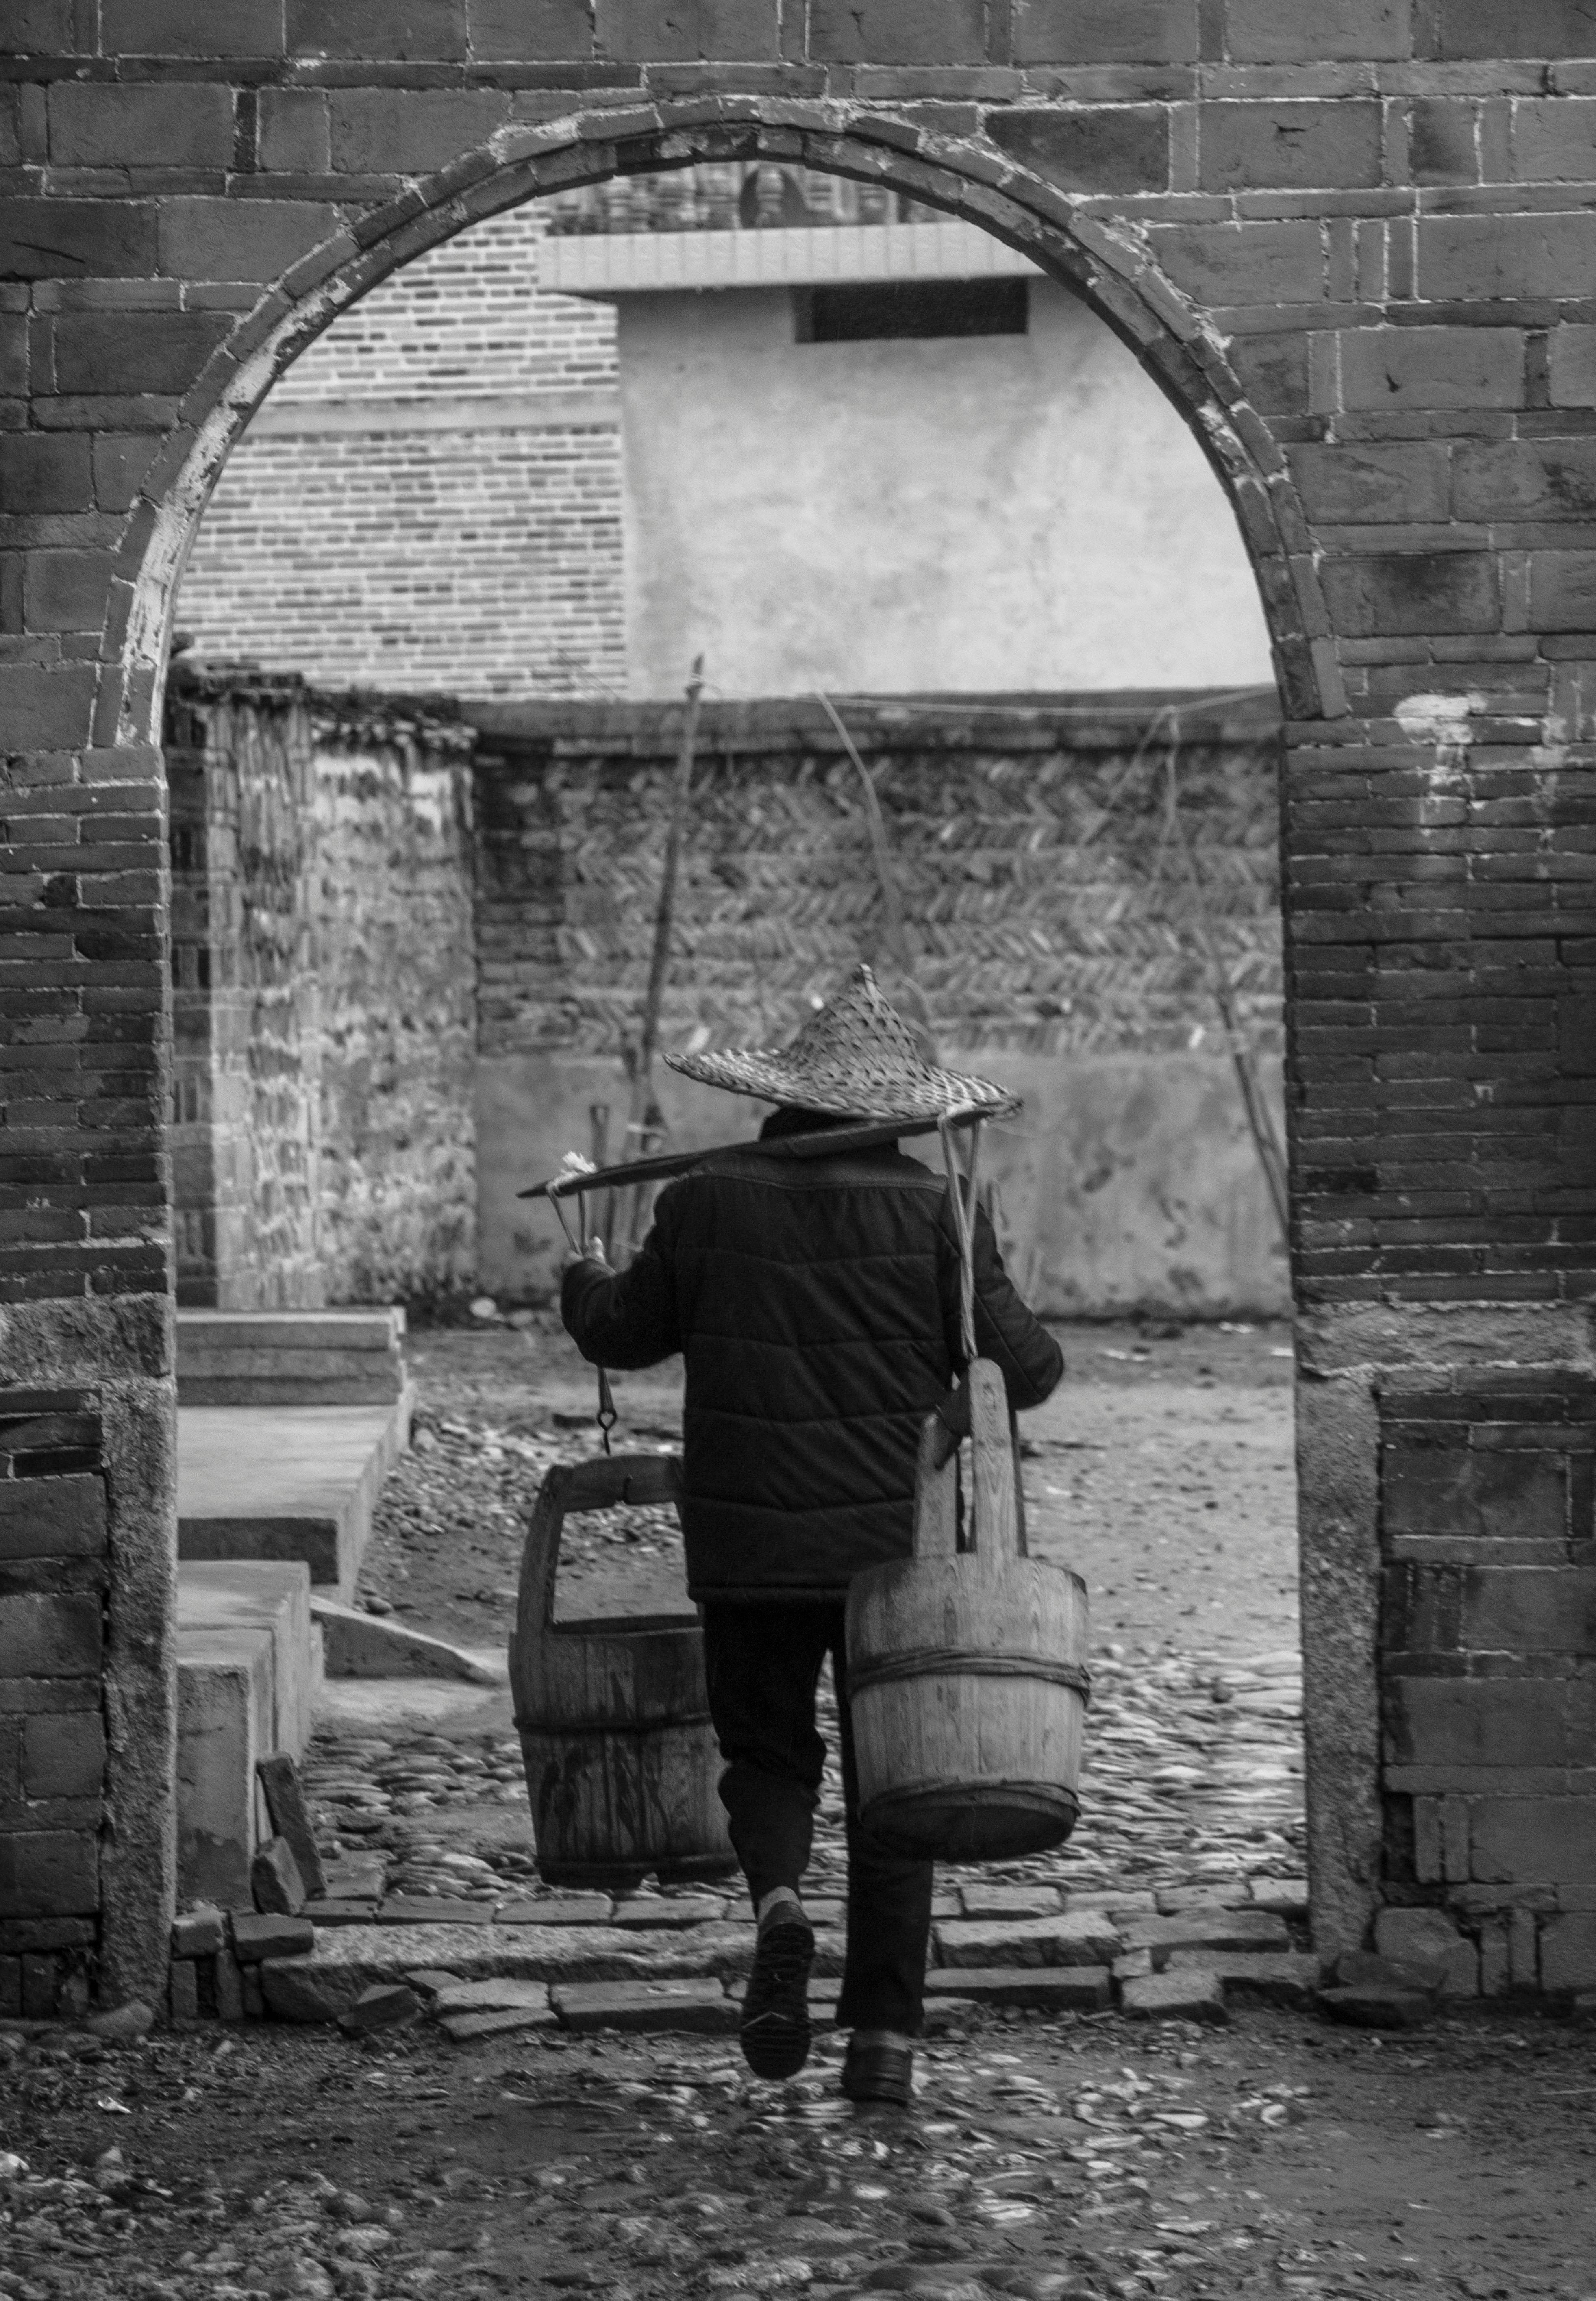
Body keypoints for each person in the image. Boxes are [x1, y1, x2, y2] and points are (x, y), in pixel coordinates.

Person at [560, 966, 1063, 2106]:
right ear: (901, 1107)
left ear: (782, 1097)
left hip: (746, 1546)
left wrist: (579, 1271)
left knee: (769, 1755)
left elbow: (621, 1332)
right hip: (899, 1555)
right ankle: (884, 2040)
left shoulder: (704, 1198)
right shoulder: (939, 1204)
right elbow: (1025, 1367)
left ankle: (780, 1902)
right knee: (899, 1779)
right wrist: (955, 1371)